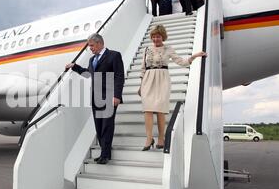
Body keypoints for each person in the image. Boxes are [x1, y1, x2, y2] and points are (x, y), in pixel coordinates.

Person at [138, 25, 206, 151]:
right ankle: (149, 138)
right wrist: (140, 85)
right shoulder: (147, 49)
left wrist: (194, 56)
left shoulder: (168, 49)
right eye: (153, 37)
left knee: (160, 110)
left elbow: (181, 61)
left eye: (158, 36)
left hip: (162, 80)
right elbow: (143, 68)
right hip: (147, 80)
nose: (155, 39)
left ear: (162, 37)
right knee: (147, 109)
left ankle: (161, 138)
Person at [66, 34, 125, 164]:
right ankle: (104, 152)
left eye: (91, 45)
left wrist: (117, 95)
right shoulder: (92, 59)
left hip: (109, 96)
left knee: (107, 126)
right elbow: (88, 74)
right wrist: (74, 67)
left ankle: (105, 155)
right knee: (99, 127)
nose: (90, 48)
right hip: (95, 97)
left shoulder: (114, 55)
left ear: (99, 43)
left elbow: (119, 76)